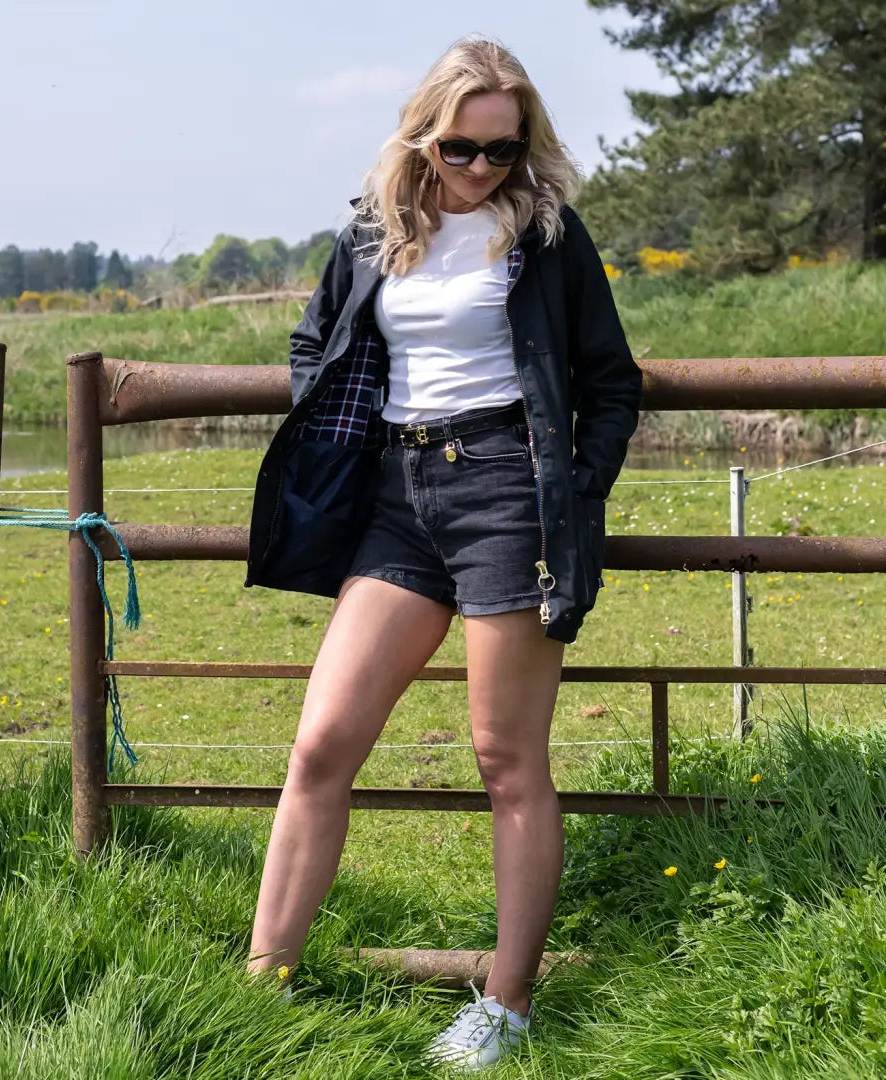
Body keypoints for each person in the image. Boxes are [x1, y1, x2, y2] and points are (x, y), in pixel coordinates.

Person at [243, 35, 642, 1071]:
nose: (480, 170)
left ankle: (505, 1009)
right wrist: (335, 427)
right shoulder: (374, 234)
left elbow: (612, 380)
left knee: (507, 761)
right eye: (462, 149)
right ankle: (261, 983)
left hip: (508, 490)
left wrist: (570, 493)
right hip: (395, 498)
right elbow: (312, 344)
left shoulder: (545, 234)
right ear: (423, 138)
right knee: (322, 744)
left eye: (502, 152)